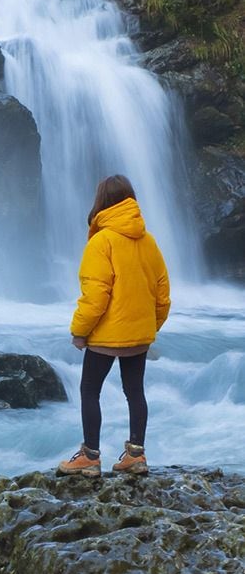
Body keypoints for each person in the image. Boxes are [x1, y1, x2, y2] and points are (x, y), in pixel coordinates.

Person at [57, 174, 170, 478]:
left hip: (106, 336)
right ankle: (136, 455)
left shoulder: (101, 242)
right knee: (135, 392)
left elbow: (95, 296)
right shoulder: (149, 242)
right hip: (138, 335)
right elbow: (162, 295)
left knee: (89, 389)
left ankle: (90, 457)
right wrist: (149, 327)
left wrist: (79, 332)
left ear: (101, 203)